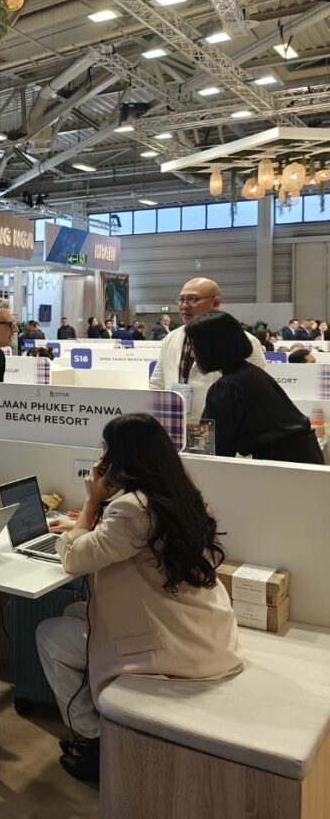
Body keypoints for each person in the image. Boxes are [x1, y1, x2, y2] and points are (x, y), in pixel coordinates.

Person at [37, 413, 244, 782]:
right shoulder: (175, 495)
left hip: (171, 647)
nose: (102, 459)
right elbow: (124, 541)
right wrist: (86, 523)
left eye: (107, 450)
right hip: (201, 630)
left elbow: (74, 559)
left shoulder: (131, 508)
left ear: (123, 457)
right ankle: (96, 729)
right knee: (73, 613)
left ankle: (93, 740)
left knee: (50, 634)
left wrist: (91, 503)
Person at [185, 311, 324, 465]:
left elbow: (207, 448)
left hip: (282, 468)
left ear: (210, 347)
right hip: (301, 460)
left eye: (193, 345)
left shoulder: (227, 386)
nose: (191, 353)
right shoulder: (250, 373)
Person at [150, 277, 267, 422]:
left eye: (192, 299)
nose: (184, 305)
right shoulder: (171, 337)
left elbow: (256, 391)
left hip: (220, 425)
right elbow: (158, 383)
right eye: (181, 299)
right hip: (175, 421)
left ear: (215, 302)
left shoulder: (243, 341)